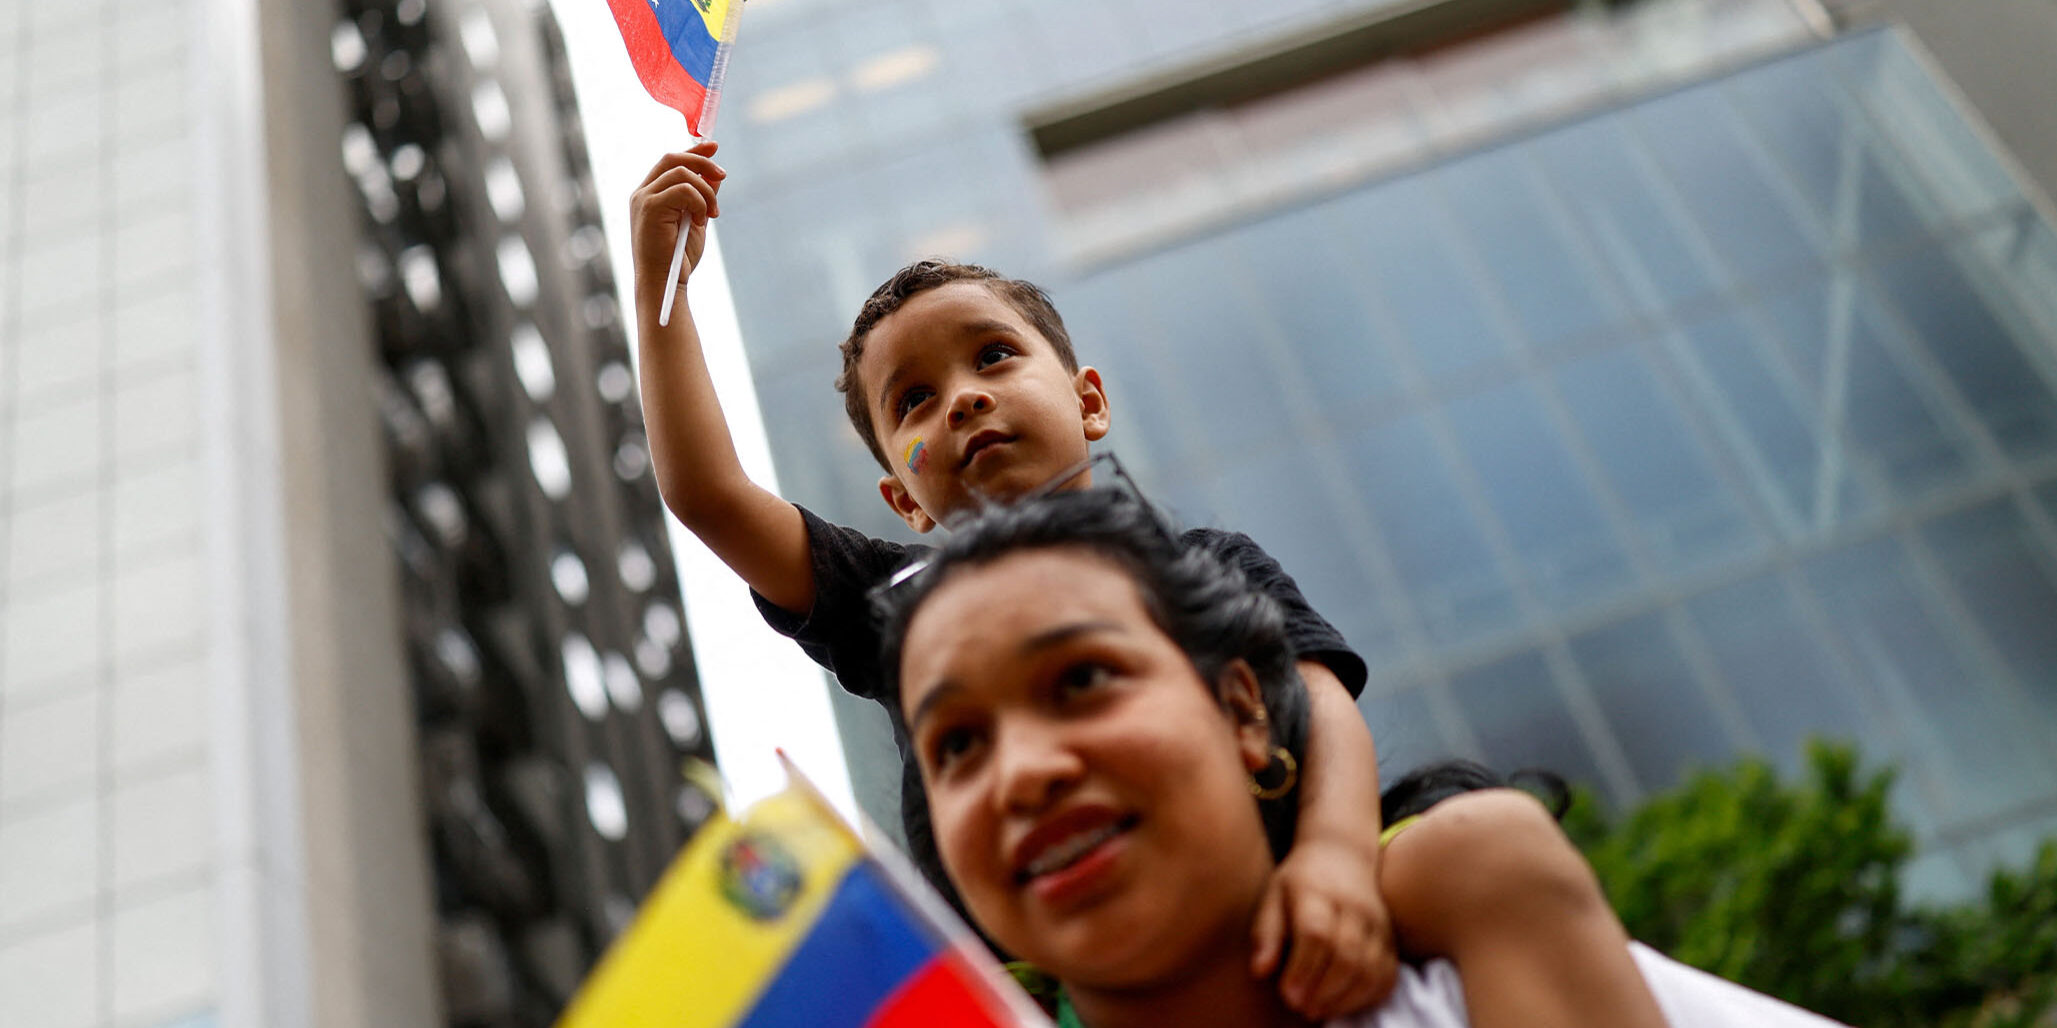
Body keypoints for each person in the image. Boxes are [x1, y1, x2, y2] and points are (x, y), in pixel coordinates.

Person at [630, 142, 1393, 1017]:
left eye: (992, 356)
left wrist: (1336, 857)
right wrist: (659, 288)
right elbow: (711, 496)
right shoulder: (897, 602)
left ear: (1088, 400)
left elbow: (1316, 698)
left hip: (1275, 928)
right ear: (903, 500)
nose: (961, 398)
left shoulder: (1202, 565)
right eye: (912, 401)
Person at [872, 487, 1850, 1028]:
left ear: (1243, 712)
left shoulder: (1469, 899)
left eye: (1082, 679)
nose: (1022, 771)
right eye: (957, 744)